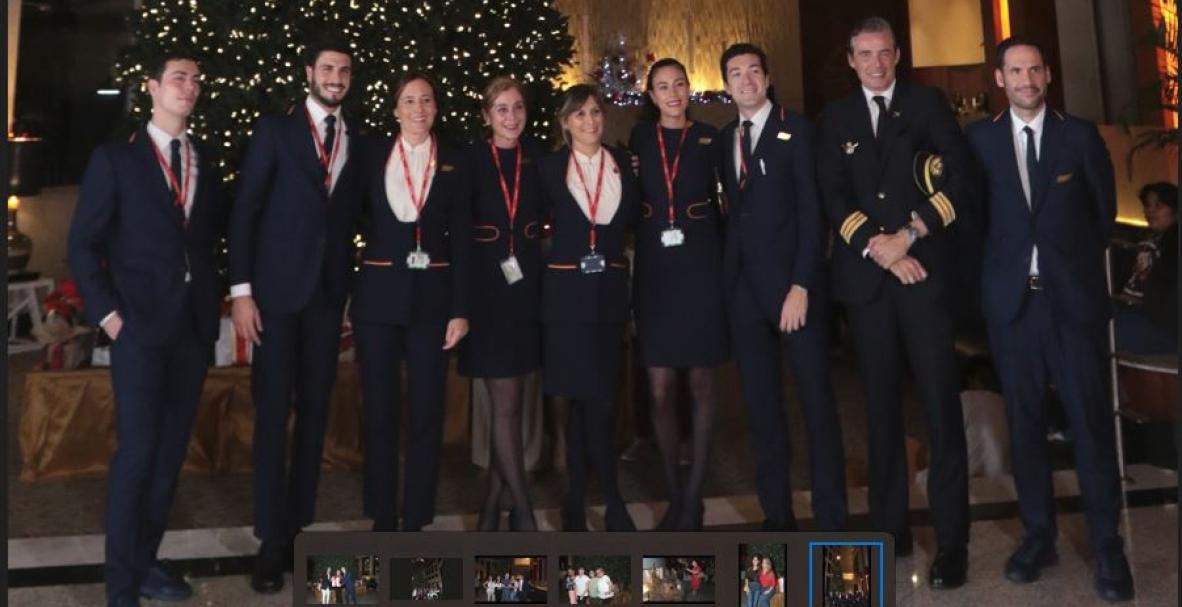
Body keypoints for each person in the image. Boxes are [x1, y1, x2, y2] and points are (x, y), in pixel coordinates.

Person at [966, 36, 1135, 601]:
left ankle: (1108, 544)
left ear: (1047, 74)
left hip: (1071, 306)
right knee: (1026, 424)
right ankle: (1040, 535)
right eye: (1015, 71)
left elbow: (1103, 212)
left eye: (1035, 69)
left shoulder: (1078, 135)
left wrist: (1071, 273)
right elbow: (975, 221)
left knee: (1089, 422)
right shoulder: (982, 140)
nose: (1027, 80)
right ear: (999, 79)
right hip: (1014, 309)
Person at [816, 17, 970, 587]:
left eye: (884, 52)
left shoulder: (927, 104)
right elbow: (832, 193)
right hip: (868, 283)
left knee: (939, 408)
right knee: (878, 411)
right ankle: (890, 528)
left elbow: (958, 180)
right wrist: (879, 249)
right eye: (865, 54)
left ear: (897, 54)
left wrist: (909, 234)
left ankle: (953, 543)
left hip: (924, 273)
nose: (876, 63)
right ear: (851, 60)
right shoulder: (836, 118)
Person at [68, 50, 226, 607]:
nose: (189, 86)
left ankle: (146, 562)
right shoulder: (116, 159)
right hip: (137, 330)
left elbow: (204, 244)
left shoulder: (202, 157)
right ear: (153, 87)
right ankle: (119, 588)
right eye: (178, 78)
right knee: (136, 456)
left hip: (191, 330)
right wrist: (110, 318)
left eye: (196, 80)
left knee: (168, 456)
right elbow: (82, 246)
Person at [230, 38, 366, 593]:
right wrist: (241, 291)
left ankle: (297, 527)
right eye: (328, 68)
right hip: (275, 299)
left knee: (314, 414)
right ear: (310, 73)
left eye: (344, 70)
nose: (336, 77)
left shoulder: (358, 139)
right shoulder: (275, 131)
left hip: (327, 299)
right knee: (272, 416)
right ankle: (268, 536)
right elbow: (243, 211)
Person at [718, 42, 849, 533]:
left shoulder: (798, 131)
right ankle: (778, 515)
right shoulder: (726, 138)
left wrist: (802, 283)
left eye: (754, 70)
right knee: (762, 409)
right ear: (727, 84)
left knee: (817, 405)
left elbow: (815, 216)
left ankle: (832, 516)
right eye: (736, 73)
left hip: (796, 291)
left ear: (768, 78)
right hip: (746, 295)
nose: (746, 80)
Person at [352, 71, 471, 532]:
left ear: (435, 108)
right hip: (378, 300)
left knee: (426, 412)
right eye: (409, 100)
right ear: (395, 109)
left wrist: (461, 308)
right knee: (379, 410)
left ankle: (417, 515)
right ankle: (382, 515)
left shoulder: (455, 162)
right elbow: (347, 219)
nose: (418, 109)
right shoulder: (370, 155)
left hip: (434, 303)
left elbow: (462, 238)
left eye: (426, 100)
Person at [629, 57, 726, 531]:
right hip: (655, 273)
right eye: (662, 87)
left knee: (702, 384)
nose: (672, 94)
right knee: (661, 386)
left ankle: (694, 495)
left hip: (701, 268)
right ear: (651, 96)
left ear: (690, 89)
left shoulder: (710, 137)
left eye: (679, 85)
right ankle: (673, 489)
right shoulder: (640, 139)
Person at [537, 84, 639, 532]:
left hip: (610, 296)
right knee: (578, 401)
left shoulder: (624, 167)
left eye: (595, 112)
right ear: (565, 123)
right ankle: (586, 498)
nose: (590, 121)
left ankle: (600, 496)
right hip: (565, 299)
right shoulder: (547, 168)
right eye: (579, 115)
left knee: (602, 398)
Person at [462, 76, 543, 532]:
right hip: (486, 295)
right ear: (487, 115)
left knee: (509, 406)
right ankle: (525, 513)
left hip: (526, 293)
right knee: (505, 403)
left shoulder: (538, 160)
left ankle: (490, 509)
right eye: (501, 109)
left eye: (517, 108)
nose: (511, 118)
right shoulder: (470, 160)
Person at [1115, 181, 1178, 354]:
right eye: (1147, 206)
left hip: (1158, 324)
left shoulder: (1161, 245)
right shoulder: (1151, 241)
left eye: (1158, 206)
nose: (1150, 211)